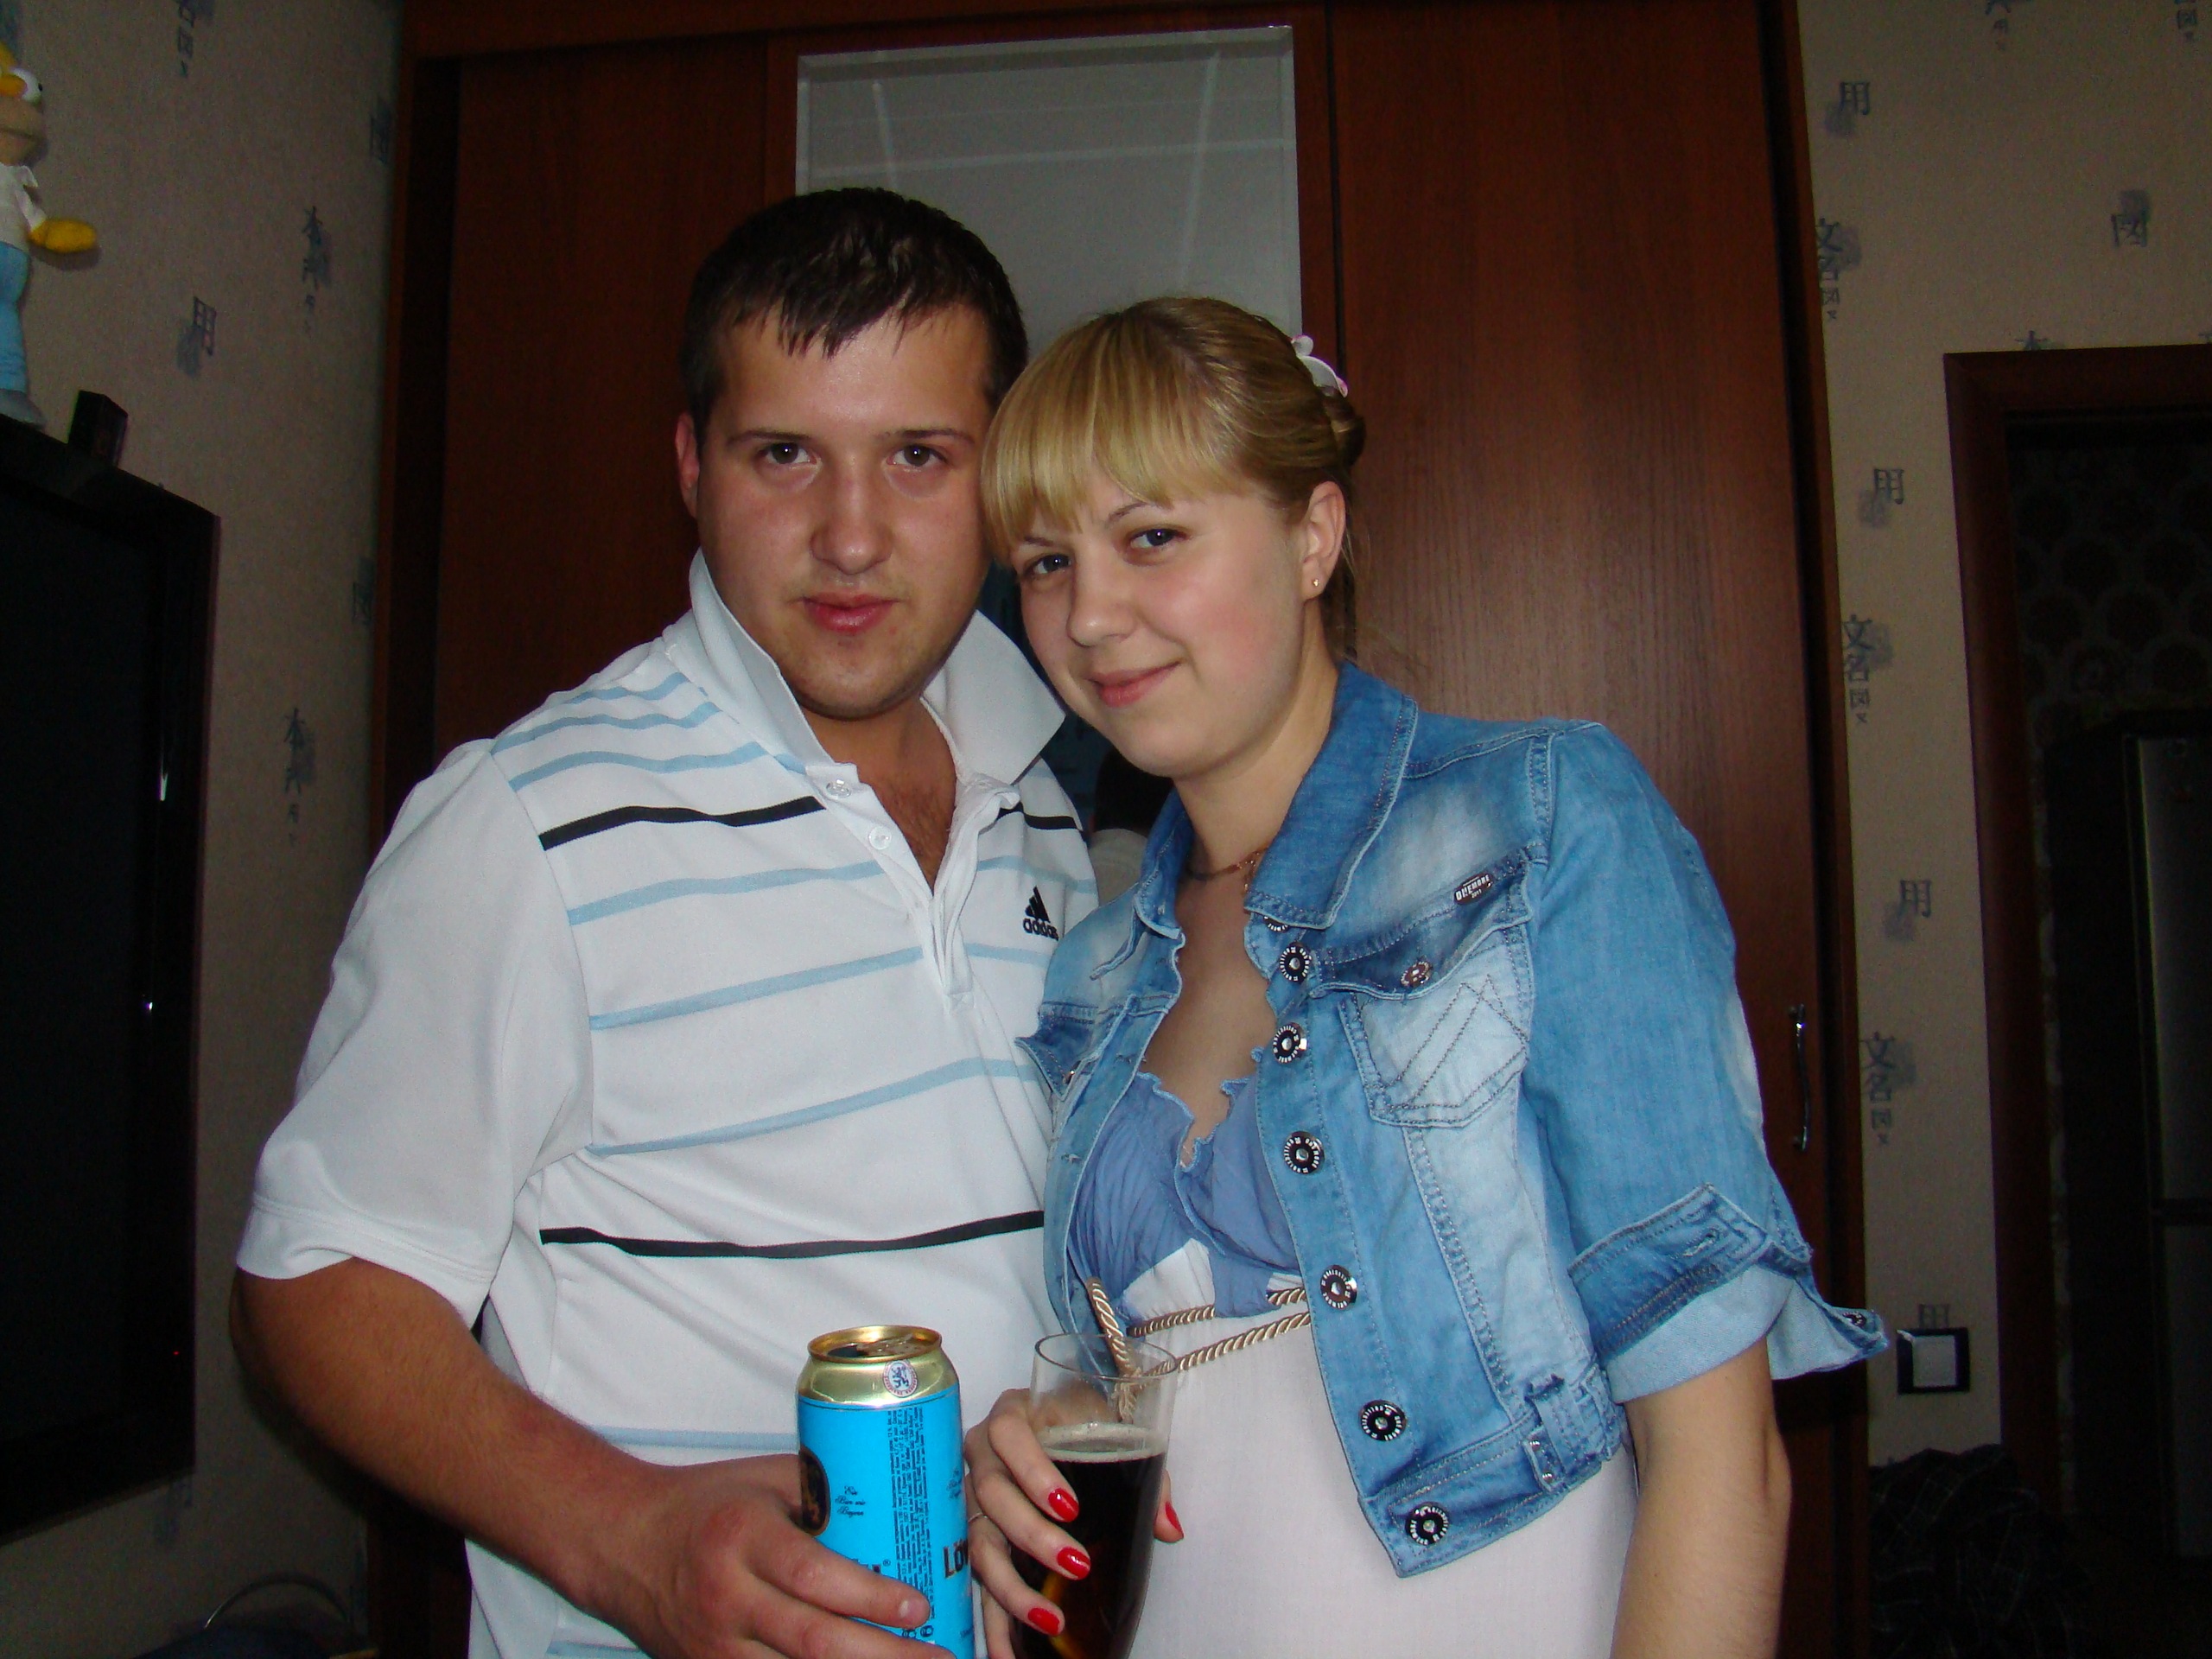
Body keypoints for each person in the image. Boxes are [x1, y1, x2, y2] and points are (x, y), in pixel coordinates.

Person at [231, 189, 1097, 1659]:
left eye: (917, 457)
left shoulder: (1051, 807)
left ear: (1000, 479)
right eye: (784, 455)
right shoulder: (526, 820)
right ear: (693, 465)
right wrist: (629, 1539)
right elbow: (318, 1279)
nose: (851, 537)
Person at [963, 297, 1886, 1658]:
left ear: (1313, 535)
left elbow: (1722, 1463)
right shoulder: (1098, 969)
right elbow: (1166, 1377)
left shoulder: (1545, 823)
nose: (1090, 616)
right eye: (1047, 562)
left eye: (1151, 537)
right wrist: (1038, 1435)